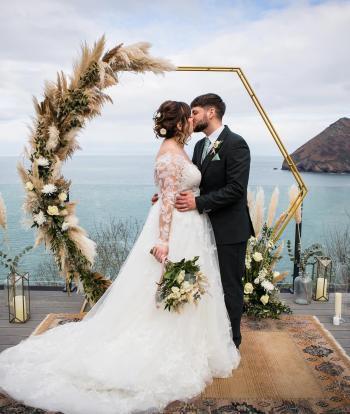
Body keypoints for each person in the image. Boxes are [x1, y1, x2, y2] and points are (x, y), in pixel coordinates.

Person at [0, 100, 240, 414]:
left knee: (188, 289)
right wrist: (164, 242)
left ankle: (193, 342)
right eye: (188, 117)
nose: (192, 121)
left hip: (191, 226)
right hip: (177, 229)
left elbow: (171, 191)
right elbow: (167, 200)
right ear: (179, 123)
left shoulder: (181, 150)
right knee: (166, 288)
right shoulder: (170, 153)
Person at [155, 94, 255, 349]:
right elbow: (194, 183)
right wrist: (168, 193)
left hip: (230, 229)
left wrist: (198, 203)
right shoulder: (199, 147)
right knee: (208, 285)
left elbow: (235, 189)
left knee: (230, 286)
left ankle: (233, 342)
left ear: (211, 113)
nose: (191, 118)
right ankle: (210, 340)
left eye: (195, 112)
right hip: (200, 228)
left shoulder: (236, 144)